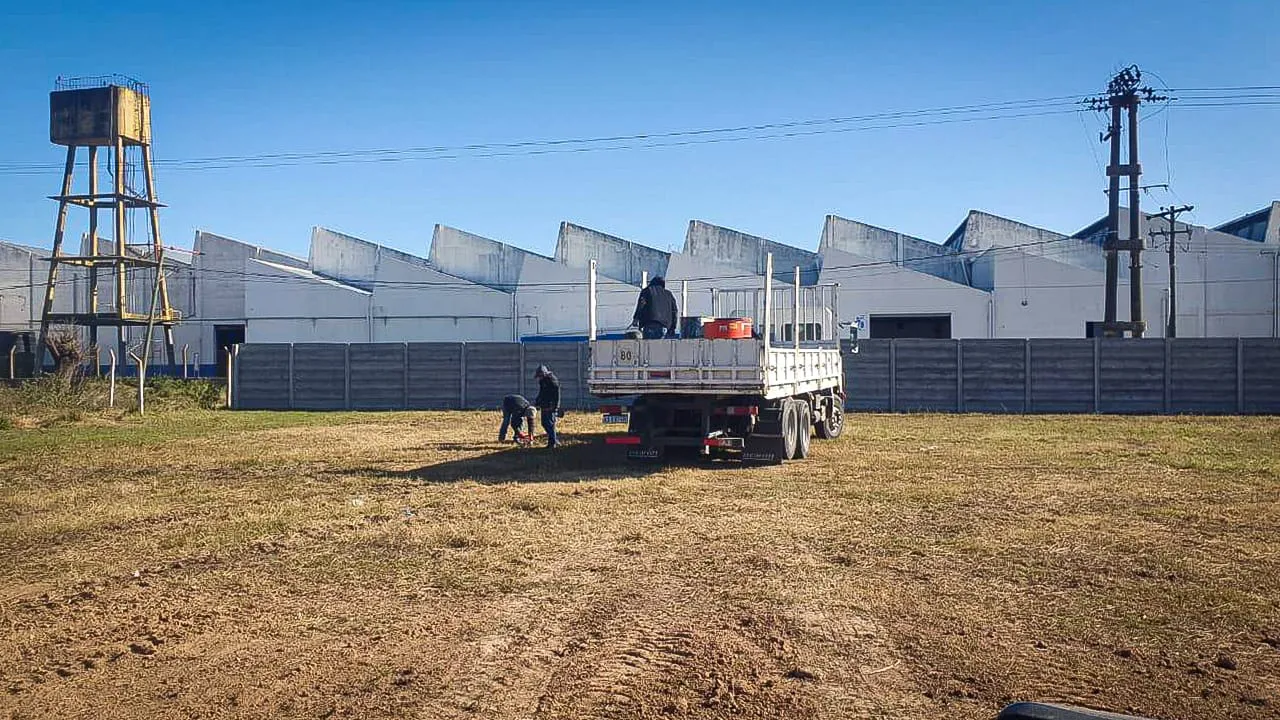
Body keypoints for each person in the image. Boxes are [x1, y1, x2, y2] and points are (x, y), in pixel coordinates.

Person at [533, 365, 561, 448]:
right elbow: (541, 392)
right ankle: (554, 440)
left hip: (551, 406)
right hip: (544, 405)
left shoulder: (553, 380)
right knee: (544, 423)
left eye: (540, 376)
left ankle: (552, 443)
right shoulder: (542, 381)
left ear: (544, 374)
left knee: (550, 424)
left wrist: (555, 407)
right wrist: (537, 401)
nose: (539, 378)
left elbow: (557, 395)